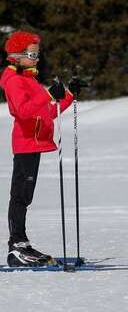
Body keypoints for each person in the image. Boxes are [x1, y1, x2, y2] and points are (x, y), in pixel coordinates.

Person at [0, 31, 74, 266]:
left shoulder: (29, 78)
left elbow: (46, 112)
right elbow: (22, 111)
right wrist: (47, 94)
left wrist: (68, 94)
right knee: (20, 196)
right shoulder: (14, 80)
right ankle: (17, 248)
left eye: (37, 54)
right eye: (32, 54)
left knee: (25, 195)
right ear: (16, 56)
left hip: (35, 142)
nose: (37, 58)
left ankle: (22, 244)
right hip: (24, 143)